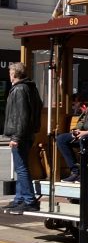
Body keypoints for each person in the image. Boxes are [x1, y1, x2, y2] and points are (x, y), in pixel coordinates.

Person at [3, 63, 43, 214]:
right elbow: (38, 106)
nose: (9, 75)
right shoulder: (30, 87)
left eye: (10, 72)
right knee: (21, 168)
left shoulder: (20, 89)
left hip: (21, 135)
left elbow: (21, 116)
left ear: (14, 74)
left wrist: (16, 137)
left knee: (21, 168)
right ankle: (19, 199)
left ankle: (29, 200)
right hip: (27, 134)